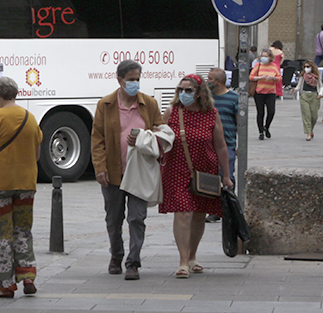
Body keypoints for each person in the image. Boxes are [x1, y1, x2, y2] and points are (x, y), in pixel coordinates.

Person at [90, 59, 165, 281]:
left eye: (138, 79)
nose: (135, 83)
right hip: (114, 172)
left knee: (137, 217)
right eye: (131, 79)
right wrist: (100, 168)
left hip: (139, 171)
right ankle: (116, 256)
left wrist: (145, 137)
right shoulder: (106, 104)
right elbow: (97, 139)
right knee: (113, 218)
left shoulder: (149, 104)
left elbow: (160, 130)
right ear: (120, 79)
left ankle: (133, 262)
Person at [0, 76, 43, 298]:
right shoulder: (30, 118)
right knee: (23, 230)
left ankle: (5, 285)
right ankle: (27, 275)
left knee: (0, 234)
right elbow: (37, 154)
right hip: (26, 183)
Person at [159, 74, 233, 279]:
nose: (184, 94)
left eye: (189, 90)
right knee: (183, 213)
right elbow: (160, 140)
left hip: (204, 170)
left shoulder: (211, 114)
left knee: (199, 213)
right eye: (180, 90)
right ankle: (182, 261)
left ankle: (192, 256)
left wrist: (226, 175)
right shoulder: (172, 112)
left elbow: (220, 145)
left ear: (200, 93)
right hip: (177, 169)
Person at [206, 66, 239, 222]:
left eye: (210, 79)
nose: (208, 81)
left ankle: (228, 207)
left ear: (219, 81)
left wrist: (240, 145)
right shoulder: (207, 98)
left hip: (228, 143)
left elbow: (239, 122)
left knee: (227, 175)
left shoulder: (233, 98)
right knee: (212, 177)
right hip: (209, 144)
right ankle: (215, 209)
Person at [248, 48, 281, 139]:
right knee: (260, 112)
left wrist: (272, 78)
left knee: (271, 111)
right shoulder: (258, 66)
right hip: (259, 92)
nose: (264, 58)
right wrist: (260, 77)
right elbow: (251, 77)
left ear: (270, 57)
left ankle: (267, 127)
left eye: (266, 56)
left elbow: (279, 77)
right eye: (262, 56)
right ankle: (260, 132)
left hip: (271, 92)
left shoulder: (274, 66)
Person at [298, 59, 323, 140]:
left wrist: (320, 93)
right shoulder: (303, 76)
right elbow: (299, 86)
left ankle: (311, 129)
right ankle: (308, 133)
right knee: (306, 115)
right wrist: (294, 90)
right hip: (305, 95)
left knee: (314, 116)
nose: (306, 68)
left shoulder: (316, 76)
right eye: (305, 67)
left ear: (312, 67)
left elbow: (321, 86)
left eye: (308, 67)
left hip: (314, 95)